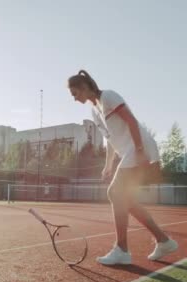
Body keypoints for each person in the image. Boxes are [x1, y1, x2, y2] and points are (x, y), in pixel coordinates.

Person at [67, 70, 178, 265]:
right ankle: (163, 241)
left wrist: (141, 151)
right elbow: (110, 139)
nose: (75, 99)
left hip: (138, 147)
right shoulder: (94, 110)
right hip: (128, 151)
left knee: (115, 193)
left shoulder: (109, 96)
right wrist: (108, 165)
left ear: (85, 87)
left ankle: (122, 250)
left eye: (75, 93)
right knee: (125, 199)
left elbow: (131, 122)